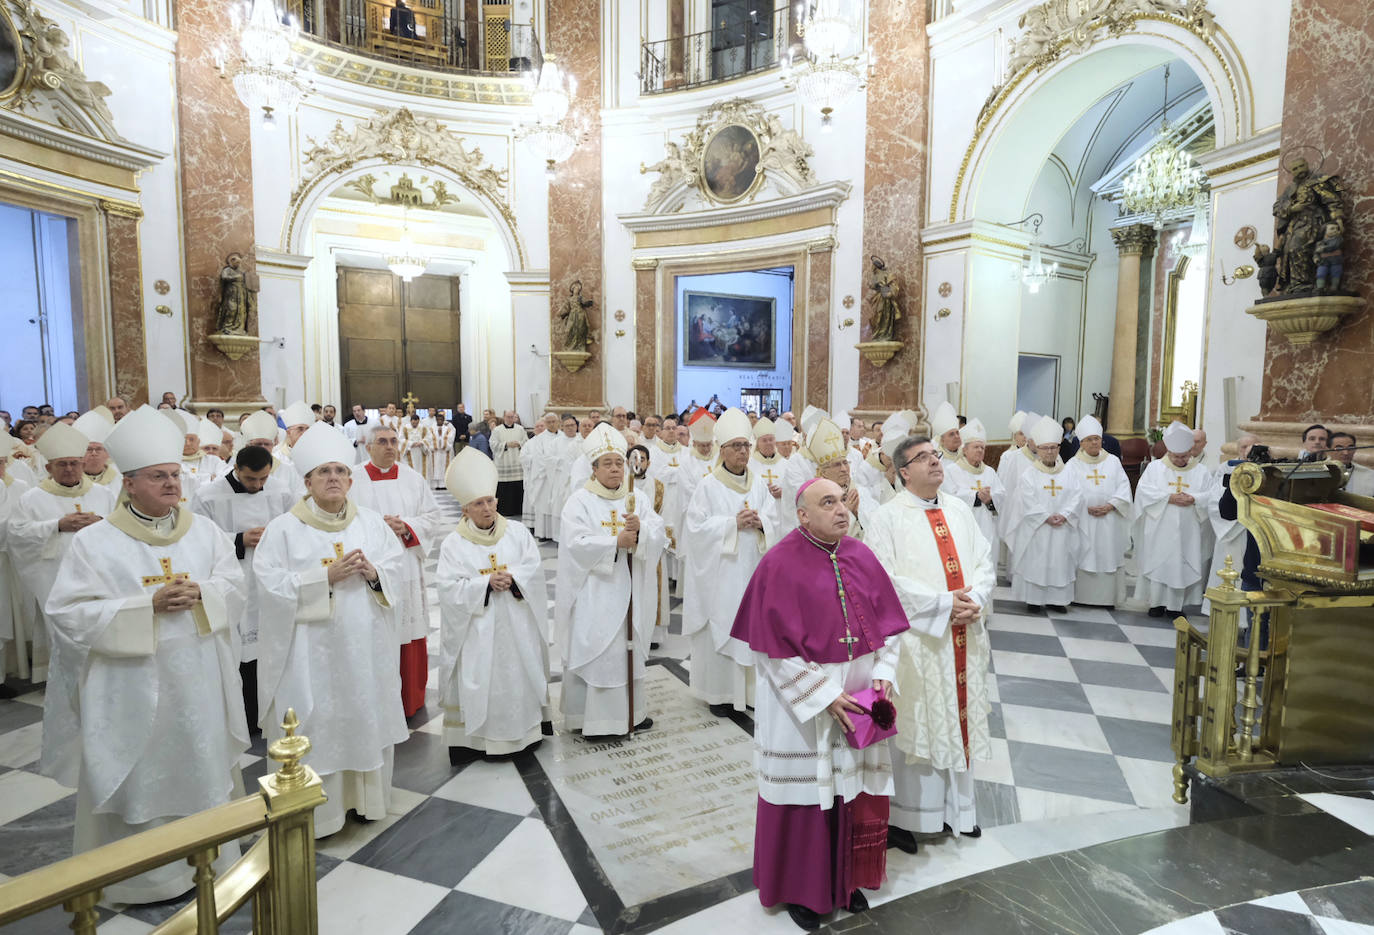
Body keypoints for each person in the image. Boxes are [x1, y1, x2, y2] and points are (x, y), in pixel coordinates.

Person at [43, 405, 247, 903]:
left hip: (198, 676)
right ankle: (146, 877)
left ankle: (211, 861)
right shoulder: (95, 542)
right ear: (129, 483)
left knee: (201, 762)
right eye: (159, 476)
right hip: (132, 684)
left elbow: (234, 585)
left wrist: (206, 595)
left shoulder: (203, 532)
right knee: (140, 776)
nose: (173, 484)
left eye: (175, 475)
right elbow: (67, 612)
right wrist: (145, 607)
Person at [732, 477, 908, 930]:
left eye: (841, 500)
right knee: (807, 797)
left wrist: (884, 676)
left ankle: (846, 881)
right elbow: (769, 651)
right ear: (802, 515)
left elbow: (889, 629)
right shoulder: (778, 564)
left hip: (860, 698)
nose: (840, 509)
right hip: (803, 707)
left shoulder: (861, 555)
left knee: (852, 792)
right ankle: (803, 890)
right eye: (826, 502)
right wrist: (825, 695)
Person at [253, 422, 408, 837]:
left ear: (351, 479)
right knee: (317, 724)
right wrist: (324, 577)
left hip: (365, 650)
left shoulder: (371, 523)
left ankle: (367, 801)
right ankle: (319, 815)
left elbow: (397, 569)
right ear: (307, 482)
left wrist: (375, 572)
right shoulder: (283, 529)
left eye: (340, 471)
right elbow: (268, 586)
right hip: (310, 655)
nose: (334, 479)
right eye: (324, 472)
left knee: (364, 714)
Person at [867, 434, 995, 850]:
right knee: (918, 721)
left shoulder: (958, 508)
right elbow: (883, 581)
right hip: (919, 642)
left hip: (963, 634)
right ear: (904, 472)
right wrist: (942, 604)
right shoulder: (887, 518)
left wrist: (974, 598)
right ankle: (910, 816)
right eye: (923, 458)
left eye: (936, 455)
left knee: (958, 722)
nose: (935, 463)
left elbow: (984, 561)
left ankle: (959, 811)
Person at [435, 447, 550, 760]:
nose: (486, 509)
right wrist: (484, 584)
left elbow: (533, 569)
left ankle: (524, 732)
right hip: (477, 629)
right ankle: (475, 741)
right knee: (480, 675)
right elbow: (447, 588)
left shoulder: (517, 532)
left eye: (489, 501)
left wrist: (513, 579)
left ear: (497, 501)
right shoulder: (453, 544)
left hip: (516, 623)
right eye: (477, 504)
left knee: (517, 672)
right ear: (465, 509)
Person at [555, 424, 666, 739]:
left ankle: (633, 712)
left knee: (627, 648)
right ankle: (594, 719)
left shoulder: (636, 499)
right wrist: (613, 542)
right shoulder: (580, 501)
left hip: (630, 588)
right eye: (608, 463)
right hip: (595, 592)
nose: (615, 469)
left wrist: (642, 530)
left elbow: (658, 530)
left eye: (619, 462)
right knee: (599, 649)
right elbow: (575, 544)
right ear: (593, 468)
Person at [190, 444, 296, 733]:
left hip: (270, 580)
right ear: (236, 469)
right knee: (241, 651)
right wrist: (239, 539)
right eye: (251, 479)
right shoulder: (208, 496)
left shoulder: (281, 490)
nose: (258, 486)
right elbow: (196, 540)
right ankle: (246, 718)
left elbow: (296, 526)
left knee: (272, 643)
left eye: (263, 478)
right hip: (233, 582)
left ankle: (274, 710)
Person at [681, 408, 775, 716]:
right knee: (723, 625)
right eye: (736, 446)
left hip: (753, 572)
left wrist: (763, 524)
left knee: (751, 628)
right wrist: (731, 524)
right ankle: (719, 694)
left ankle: (749, 693)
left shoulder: (758, 484)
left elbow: (775, 519)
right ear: (722, 451)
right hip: (721, 575)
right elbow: (693, 529)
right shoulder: (709, 485)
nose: (743, 452)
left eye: (746, 445)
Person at [9, 423, 117, 685]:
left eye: (74, 463)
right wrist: (57, 525)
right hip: (53, 573)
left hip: (98, 573)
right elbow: (17, 534)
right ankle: (62, 679)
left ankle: (99, 674)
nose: (69, 469)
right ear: (48, 468)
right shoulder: (33, 498)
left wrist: (101, 522)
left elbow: (119, 527)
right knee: (60, 625)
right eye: (62, 464)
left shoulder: (102, 494)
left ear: (82, 464)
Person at [351, 423, 443, 718]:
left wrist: (406, 526)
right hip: (369, 568)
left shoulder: (413, 478)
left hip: (405, 565)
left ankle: (409, 699)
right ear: (369, 447)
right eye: (382, 441)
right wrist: (376, 529)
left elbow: (433, 516)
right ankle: (375, 703)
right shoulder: (352, 479)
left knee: (409, 627)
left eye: (393, 441)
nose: (390, 446)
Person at [1134, 421, 1212, 617]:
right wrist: (1168, 497)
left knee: (1181, 563)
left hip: (1189, 527)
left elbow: (1211, 495)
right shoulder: (1155, 468)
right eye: (1176, 457)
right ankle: (1156, 603)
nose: (1180, 460)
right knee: (1159, 560)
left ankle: (1176, 606)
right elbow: (1144, 492)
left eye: (1184, 456)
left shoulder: (1200, 471)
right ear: (1169, 452)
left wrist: (1194, 498)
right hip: (1160, 525)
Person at [1008, 416, 1083, 614]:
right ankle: (1034, 599)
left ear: (1059, 448)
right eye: (1045, 448)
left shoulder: (1068, 472)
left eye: (1053, 447)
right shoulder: (1029, 474)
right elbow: (1027, 499)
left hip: (1062, 527)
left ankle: (1057, 601)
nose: (1049, 452)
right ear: (1038, 449)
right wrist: (1045, 517)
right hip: (1038, 529)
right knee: (1037, 561)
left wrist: (1065, 514)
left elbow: (1077, 495)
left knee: (1060, 561)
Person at [1066, 415, 1132, 607]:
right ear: (1082, 442)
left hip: (1109, 520)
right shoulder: (1072, 465)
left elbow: (1124, 488)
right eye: (1090, 439)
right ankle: (1080, 597)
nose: (1094, 442)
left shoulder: (1113, 462)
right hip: (1083, 519)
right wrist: (1082, 506)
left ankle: (1107, 598)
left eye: (1097, 438)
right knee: (1083, 554)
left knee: (1107, 553)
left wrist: (1111, 505)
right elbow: (1067, 492)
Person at [939, 417, 1002, 557]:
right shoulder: (952, 471)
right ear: (965, 450)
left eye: (982, 447)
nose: (980, 450)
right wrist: (976, 496)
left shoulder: (990, 472)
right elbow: (948, 497)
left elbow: (1002, 495)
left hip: (987, 528)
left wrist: (990, 499)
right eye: (976, 447)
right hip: (962, 528)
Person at [490, 410, 527, 519]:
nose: (510, 419)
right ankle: (504, 510)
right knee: (504, 488)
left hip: (517, 462)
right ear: (504, 417)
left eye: (512, 417)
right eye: (508, 417)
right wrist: (506, 444)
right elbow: (492, 444)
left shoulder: (520, 429)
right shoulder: (497, 430)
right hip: (503, 463)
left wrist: (519, 443)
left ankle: (518, 509)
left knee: (517, 486)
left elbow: (526, 441)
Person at [72, 409, 119, 487]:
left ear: (107, 454)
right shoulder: (72, 479)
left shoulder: (119, 478)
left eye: (98, 449)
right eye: (89, 449)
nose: (94, 453)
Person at [1330, 431, 1374, 496]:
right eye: (1339, 448)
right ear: (1328, 449)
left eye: (1350, 448)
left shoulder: (1369, 475)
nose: (1346, 453)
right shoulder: (1318, 470)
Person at [428, 410, 456, 488]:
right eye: (438, 419)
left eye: (441, 420)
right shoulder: (431, 429)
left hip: (445, 452)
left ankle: (444, 484)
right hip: (435, 452)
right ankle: (435, 484)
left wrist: (441, 441)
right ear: (436, 420)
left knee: (444, 467)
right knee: (436, 467)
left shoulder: (448, 428)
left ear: (443, 420)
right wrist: (437, 442)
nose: (439, 421)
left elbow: (451, 438)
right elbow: (429, 438)